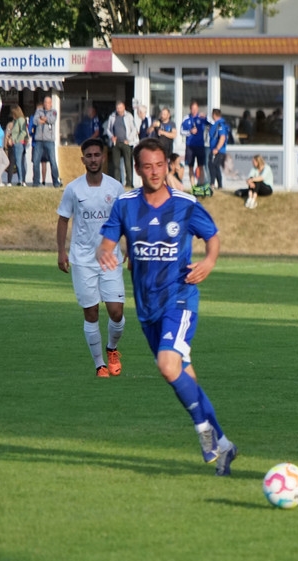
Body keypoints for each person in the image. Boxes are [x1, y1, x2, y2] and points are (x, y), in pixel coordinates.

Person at [96, 137, 237, 476]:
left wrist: (209, 262)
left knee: (166, 365)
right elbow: (107, 242)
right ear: (137, 169)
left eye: (160, 165)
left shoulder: (185, 204)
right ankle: (224, 444)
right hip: (148, 307)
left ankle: (204, 432)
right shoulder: (125, 204)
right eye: (147, 166)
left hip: (180, 298)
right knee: (181, 374)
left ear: (167, 165)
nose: (155, 172)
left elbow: (212, 236)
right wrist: (105, 252)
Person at [56, 137, 127, 378]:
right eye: (89, 156)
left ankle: (112, 349)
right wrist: (61, 251)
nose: (93, 159)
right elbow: (63, 219)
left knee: (116, 312)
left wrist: (129, 246)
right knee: (91, 312)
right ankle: (100, 365)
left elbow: (125, 220)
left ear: (103, 157)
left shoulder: (115, 188)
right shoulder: (73, 189)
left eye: (97, 155)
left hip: (110, 258)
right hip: (83, 260)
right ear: (83, 159)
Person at [104, 101, 138, 186]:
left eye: (120, 108)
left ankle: (129, 183)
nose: (118, 110)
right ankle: (117, 182)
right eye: (117, 108)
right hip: (116, 143)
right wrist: (111, 136)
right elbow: (108, 129)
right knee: (116, 164)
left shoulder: (129, 116)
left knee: (127, 163)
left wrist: (129, 139)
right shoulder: (112, 116)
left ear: (124, 108)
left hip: (125, 142)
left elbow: (134, 129)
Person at [31, 95, 62, 187]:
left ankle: (55, 182)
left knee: (53, 161)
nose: (47, 104)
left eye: (48, 102)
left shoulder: (54, 111)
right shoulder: (38, 111)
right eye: (45, 102)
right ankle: (36, 182)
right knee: (36, 161)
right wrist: (42, 120)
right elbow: (35, 121)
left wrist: (44, 119)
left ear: (51, 103)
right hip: (39, 140)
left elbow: (52, 120)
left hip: (49, 141)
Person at [181, 101, 209, 187]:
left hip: (200, 145)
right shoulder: (186, 118)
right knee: (190, 166)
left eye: (196, 109)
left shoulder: (201, 118)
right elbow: (181, 131)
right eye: (193, 109)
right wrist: (190, 131)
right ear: (190, 109)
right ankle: (193, 186)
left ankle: (201, 185)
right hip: (190, 146)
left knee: (201, 166)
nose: (194, 110)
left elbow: (212, 123)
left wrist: (206, 117)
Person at [208, 108, 230, 191]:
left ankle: (212, 184)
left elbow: (222, 137)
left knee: (212, 165)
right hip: (216, 149)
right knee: (216, 166)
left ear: (214, 115)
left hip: (218, 150)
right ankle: (219, 185)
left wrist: (217, 148)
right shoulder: (217, 124)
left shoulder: (220, 124)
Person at [7, 105, 30, 186]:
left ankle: (21, 180)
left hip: (19, 143)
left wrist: (16, 140)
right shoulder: (16, 121)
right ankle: (22, 180)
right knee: (19, 162)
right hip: (17, 143)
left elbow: (23, 132)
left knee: (19, 162)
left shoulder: (20, 120)